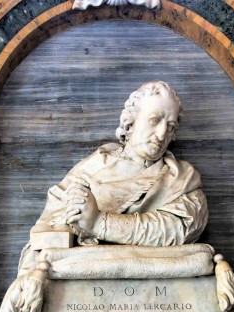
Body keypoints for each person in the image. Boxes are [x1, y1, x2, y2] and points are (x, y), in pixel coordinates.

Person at [18, 81, 208, 276]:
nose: (161, 134)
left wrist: (98, 223)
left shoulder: (182, 178)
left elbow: (180, 229)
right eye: (154, 120)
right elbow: (46, 235)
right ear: (131, 121)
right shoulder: (91, 168)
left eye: (170, 127)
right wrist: (71, 218)